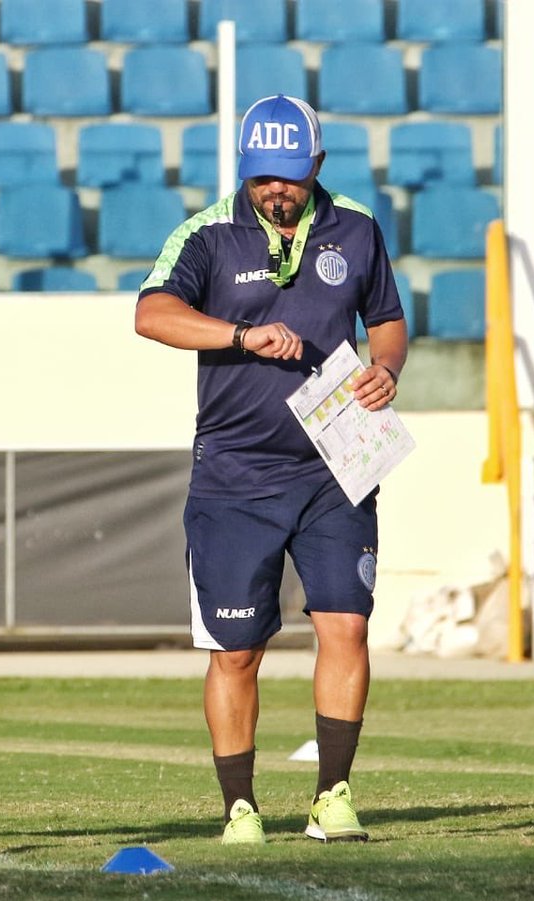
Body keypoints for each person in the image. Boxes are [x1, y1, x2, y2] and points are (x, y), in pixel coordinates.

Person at [134, 94, 408, 845]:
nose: (275, 192)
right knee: (238, 650)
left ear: (316, 166)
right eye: (262, 179)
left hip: (335, 464)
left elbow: (387, 319)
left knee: (346, 625)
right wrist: (240, 335)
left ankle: (334, 796)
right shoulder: (208, 233)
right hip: (234, 475)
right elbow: (151, 312)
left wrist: (386, 367)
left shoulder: (356, 228)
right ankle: (240, 808)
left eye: (288, 178)